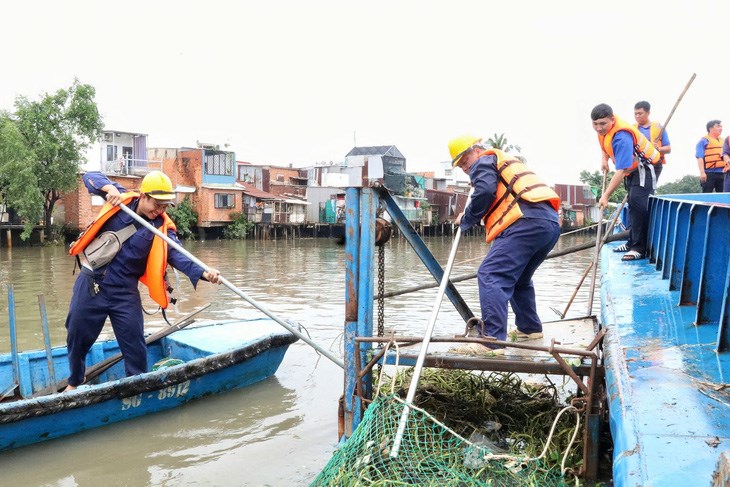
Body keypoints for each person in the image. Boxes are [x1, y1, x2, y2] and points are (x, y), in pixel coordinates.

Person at [64, 170, 222, 391]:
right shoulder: (122, 200)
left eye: (165, 206)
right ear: (144, 196)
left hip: (124, 292)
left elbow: (178, 255)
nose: (160, 210)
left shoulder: (161, 228)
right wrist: (109, 190)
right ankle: (74, 381)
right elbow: (91, 177)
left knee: (134, 344)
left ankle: (136, 386)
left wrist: (205, 273)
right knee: (76, 334)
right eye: (157, 204)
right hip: (91, 283)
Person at [448, 135, 560, 354]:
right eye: (460, 165)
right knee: (519, 279)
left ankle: (491, 341)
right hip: (548, 225)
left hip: (524, 222)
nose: (465, 168)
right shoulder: (500, 161)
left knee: (491, 275)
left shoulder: (483, 161)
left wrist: (468, 218)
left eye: (465, 160)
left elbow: (485, 192)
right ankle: (530, 329)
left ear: (477, 150)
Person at [591, 103, 662, 261]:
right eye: (595, 124)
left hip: (647, 166)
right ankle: (631, 242)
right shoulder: (603, 130)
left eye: (602, 124)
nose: (599, 128)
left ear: (612, 119)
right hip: (633, 167)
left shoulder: (622, 136)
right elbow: (603, 145)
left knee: (638, 202)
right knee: (631, 202)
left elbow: (621, 171)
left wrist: (605, 196)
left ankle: (638, 248)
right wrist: (605, 160)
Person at [633, 100, 671, 182]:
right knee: (633, 192)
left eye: (640, 113)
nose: (637, 116)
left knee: (647, 190)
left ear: (648, 113)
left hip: (653, 164)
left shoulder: (659, 128)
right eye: (635, 114)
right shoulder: (632, 129)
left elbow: (668, 149)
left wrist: (659, 149)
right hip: (636, 165)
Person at [696, 120, 725, 193]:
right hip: (709, 173)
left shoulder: (723, 141)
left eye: (721, 126)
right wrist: (702, 172)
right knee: (707, 193)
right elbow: (699, 157)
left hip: (722, 173)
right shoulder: (703, 141)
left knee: (723, 195)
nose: (721, 128)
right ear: (710, 128)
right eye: (718, 126)